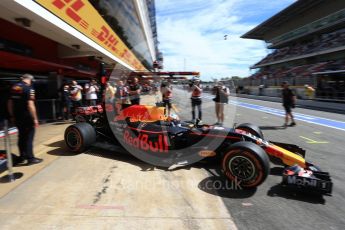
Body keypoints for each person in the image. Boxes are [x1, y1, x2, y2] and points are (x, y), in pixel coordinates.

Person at [7, 74, 43, 165]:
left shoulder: (14, 87)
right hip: (27, 117)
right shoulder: (29, 88)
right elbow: (30, 105)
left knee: (21, 137)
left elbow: (10, 102)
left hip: (17, 116)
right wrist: (35, 119)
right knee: (29, 138)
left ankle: (22, 157)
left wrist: (12, 115)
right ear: (30, 80)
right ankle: (31, 158)